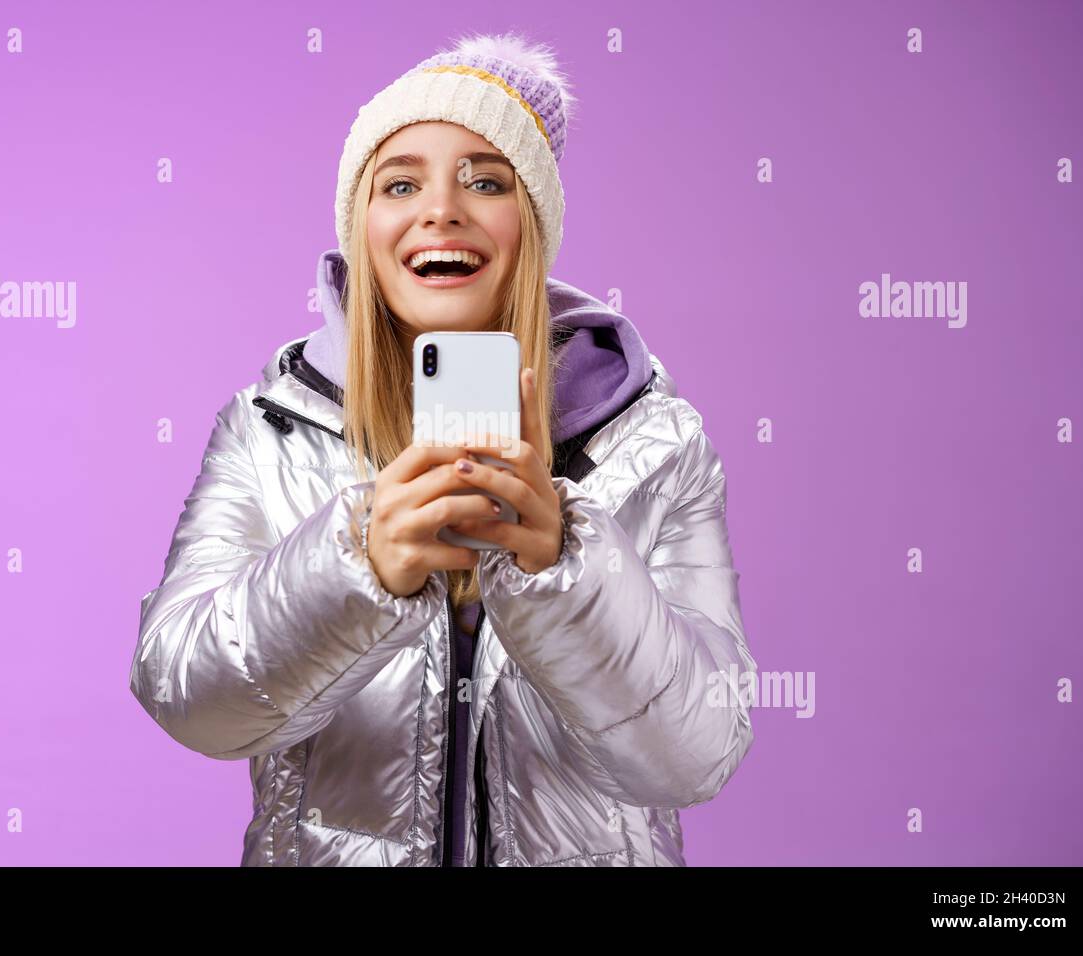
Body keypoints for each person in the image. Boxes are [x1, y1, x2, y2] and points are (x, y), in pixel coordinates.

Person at [128, 31, 758, 867]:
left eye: (485, 180)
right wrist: (356, 568)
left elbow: (698, 753)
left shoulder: (655, 441)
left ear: (530, 225)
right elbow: (189, 701)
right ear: (364, 230)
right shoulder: (269, 427)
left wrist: (560, 577)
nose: (441, 210)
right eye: (400, 183)